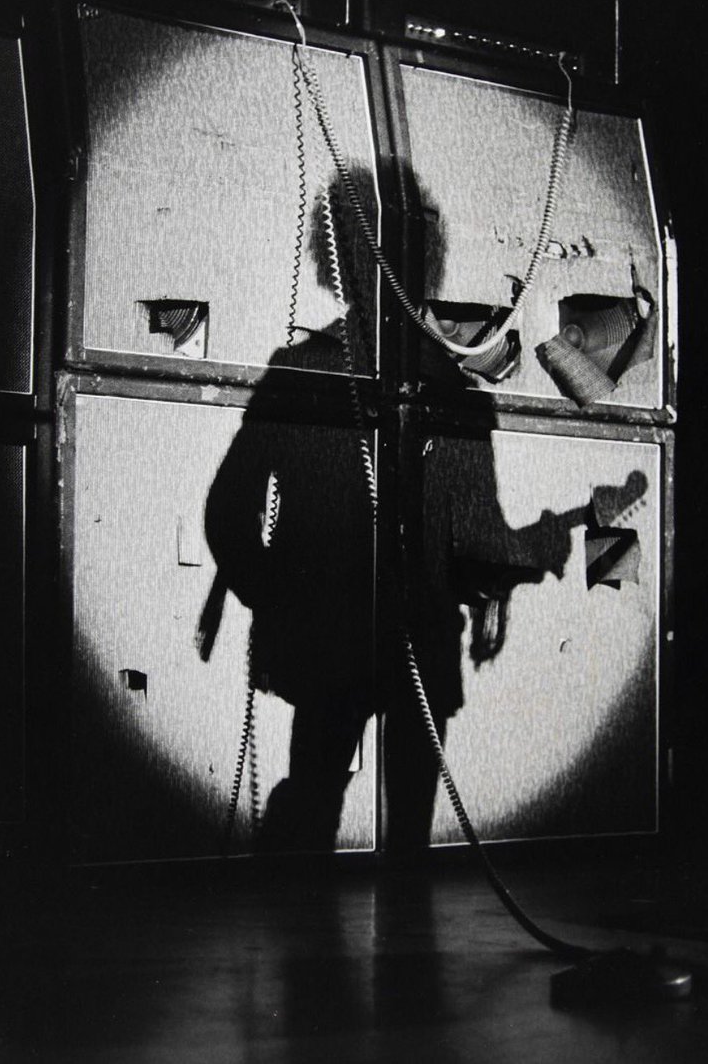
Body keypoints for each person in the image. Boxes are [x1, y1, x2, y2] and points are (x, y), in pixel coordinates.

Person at [204, 166, 573, 852]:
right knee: (391, 838)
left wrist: (283, 597)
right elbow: (481, 547)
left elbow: (228, 511)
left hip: (360, 642)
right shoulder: (447, 392)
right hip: (395, 643)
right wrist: (536, 552)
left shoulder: (308, 368)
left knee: (324, 826)